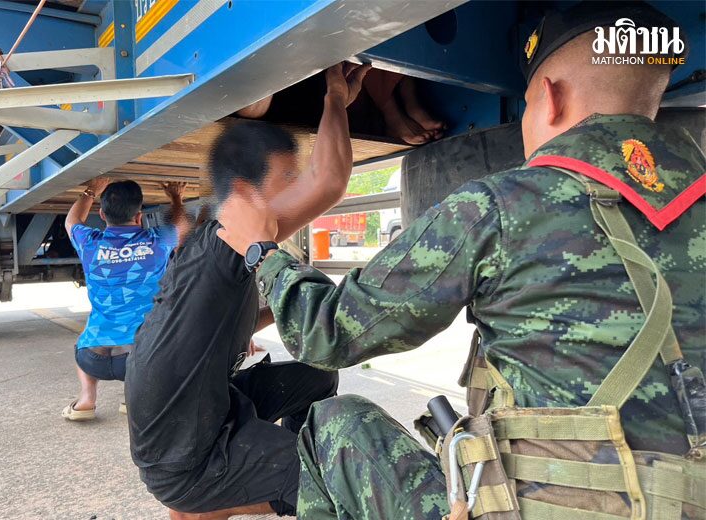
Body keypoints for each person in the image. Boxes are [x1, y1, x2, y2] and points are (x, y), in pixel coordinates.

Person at [217, 2, 704, 519]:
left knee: (332, 426)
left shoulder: (503, 206)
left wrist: (263, 252)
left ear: (550, 97)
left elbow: (326, 335)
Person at [125, 62, 370, 519]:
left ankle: (277, 472)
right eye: (287, 179)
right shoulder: (226, 238)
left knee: (317, 377)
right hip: (186, 459)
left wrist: (291, 304)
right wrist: (335, 96)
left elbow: (225, 327)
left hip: (206, 410)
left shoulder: (217, 249)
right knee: (340, 476)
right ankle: (226, 499)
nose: (296, 190)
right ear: (243, 191)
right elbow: (329, 183)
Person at [61, 179, 186, 421]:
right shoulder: (158, 242)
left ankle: (87, 399)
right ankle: (134, 398)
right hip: (138, 361)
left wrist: (90, 191)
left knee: (87, 334)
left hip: (92, 359)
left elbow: (71, 221)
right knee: (163, 339)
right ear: (139, 217)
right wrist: (176, 198)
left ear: (102, 214)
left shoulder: (90, 243)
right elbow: (180, 225)